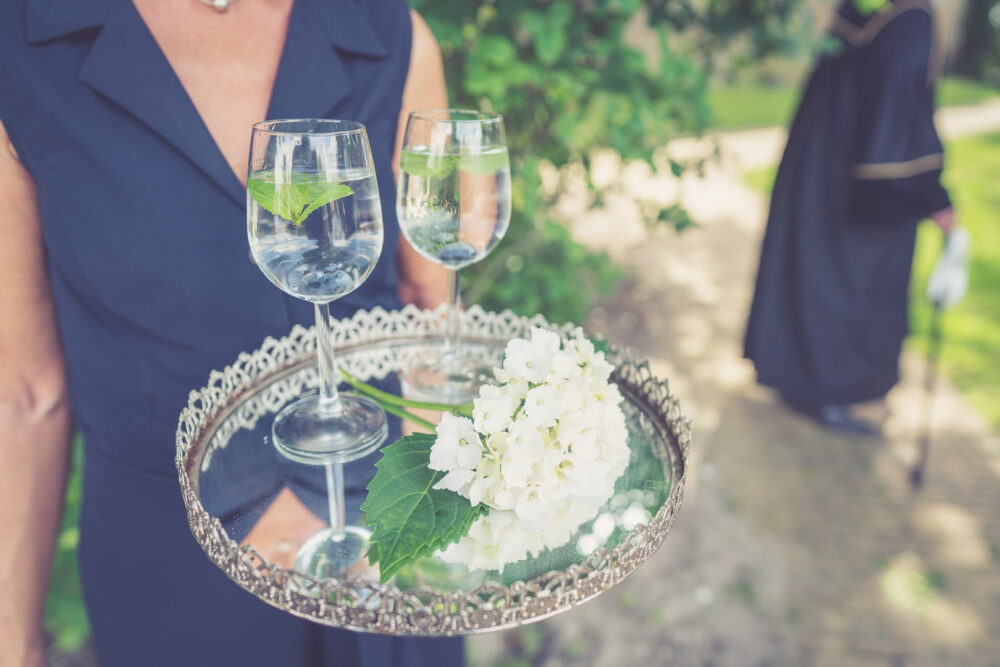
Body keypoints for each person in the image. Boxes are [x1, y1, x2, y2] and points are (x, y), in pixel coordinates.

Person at [0, 0, 461, 665]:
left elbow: (429, 304)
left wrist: (425, 516)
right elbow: (22, 394)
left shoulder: (386, 30)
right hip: (168, 569)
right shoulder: (20, 50)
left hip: (381, 541)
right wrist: (14, 645)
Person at [743, 0, 957, 435]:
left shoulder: (869, 8)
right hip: (861, 182)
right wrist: (930, 195)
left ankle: (801, 381)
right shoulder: (911, 18)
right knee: (845, 283)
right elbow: (898, 107)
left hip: (819, 167)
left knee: (816, 269)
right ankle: (833, 393)